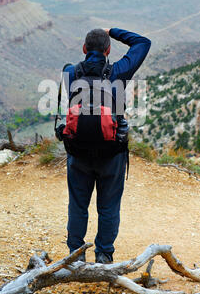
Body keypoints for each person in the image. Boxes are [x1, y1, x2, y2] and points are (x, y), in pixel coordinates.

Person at [62, 27, 151, 263]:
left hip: (78, 153)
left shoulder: (70, 73)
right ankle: (104, 255)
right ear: (108, 50)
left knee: (78, 205)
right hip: (112, 154)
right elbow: (143, 42)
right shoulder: (119, 71)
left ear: (84, 49)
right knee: (108, 207)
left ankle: (75, 255)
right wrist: (113, 31)